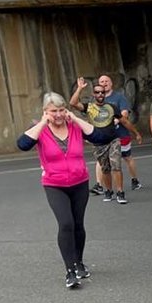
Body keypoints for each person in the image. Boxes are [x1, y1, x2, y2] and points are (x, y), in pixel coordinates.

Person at [16, 92, 113, 288]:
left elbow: (100, 137)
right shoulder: (40, 130)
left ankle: (79, 262)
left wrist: (76, 118)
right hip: (54, 184)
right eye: (53, 111)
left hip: (79, 182)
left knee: (78, 224)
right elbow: (23, 144)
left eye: (61, 110)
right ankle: (70, 271)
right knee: (66, 224)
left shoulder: (74, 127)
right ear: (45, 112)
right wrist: (43, 123)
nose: (58, 115)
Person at [69, 77, 139, 204]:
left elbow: (124, 121)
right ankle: (108, 190)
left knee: (116, 166)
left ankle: (120, 192)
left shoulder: (112, 107)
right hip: (99, 143)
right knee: (105, 168)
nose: (100, 94)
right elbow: (73, 103)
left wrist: (136, 133)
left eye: (102, 92)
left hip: (114, 140)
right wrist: (79, 88)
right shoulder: (89, 107)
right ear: (93, 94)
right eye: (97, 92)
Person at [99, 74, 144, 192]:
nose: (104, 83)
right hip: (105, 136)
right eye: (102, 81)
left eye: (106, 81)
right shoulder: (98, 99)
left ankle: (135, 180)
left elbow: (124, 114)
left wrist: (117, 119)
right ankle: (99, 185)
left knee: (127, 157)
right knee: (102, 160)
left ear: (111, 83)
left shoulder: (119, 97)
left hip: (121, 134)